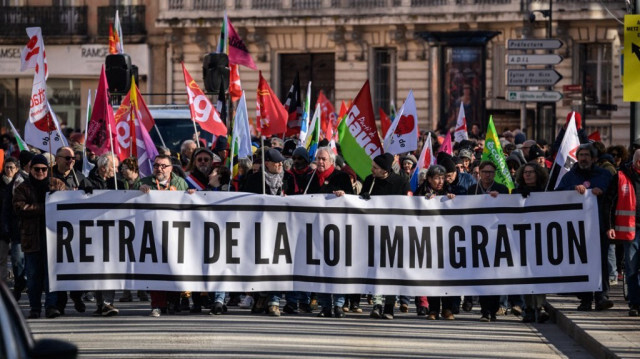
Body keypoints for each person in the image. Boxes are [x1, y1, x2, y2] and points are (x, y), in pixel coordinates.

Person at [557, 143, 613, 311]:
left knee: (601, 262)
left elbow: (613, 194)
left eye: (587, 155)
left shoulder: (604, 175)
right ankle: (585, 299)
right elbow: (558, 194)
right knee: (581, 262)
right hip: (577, 228)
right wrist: (572, 190)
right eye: (580, 155)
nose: (583, 158)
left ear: (594, 158)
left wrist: (602, 190)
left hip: (600, 226)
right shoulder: (570, 176)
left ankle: (601, 296)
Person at [136, 154, 191, 317]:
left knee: (174, 269)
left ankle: (174, 302)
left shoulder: (180, 183)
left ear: (171, 168)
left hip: (175, 233)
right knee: (155, 268)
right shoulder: (143, 183)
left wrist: (191, 194)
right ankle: (158, 304)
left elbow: (188, 203)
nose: (159, 169)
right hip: (152, 233)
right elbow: (130, 200)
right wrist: (138, 192)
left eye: (163, 166)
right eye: (156, 165)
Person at [243, 148, 295, 316]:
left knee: (278, 264)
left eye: (281, 162)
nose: (280, 165)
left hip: (283, 228)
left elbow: (298, 197)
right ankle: (261, 296)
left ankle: (274, 300)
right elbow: (246, 200)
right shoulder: (255, 179)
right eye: (276, 163)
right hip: (261, 228)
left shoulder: (288, 178)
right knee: (261, 265)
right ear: (267, 164)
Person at [13, 154, 66, 319]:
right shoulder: (22, 188)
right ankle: (35, 307)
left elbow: (67, 203)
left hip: (53, 238)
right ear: (31, 169)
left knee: (51, 275)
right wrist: (45, 207)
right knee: (33, 275)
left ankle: (51, 305)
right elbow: (19, 207)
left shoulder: (57, 184)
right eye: (37, 169)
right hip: (31, 237)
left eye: (44, 169)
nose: (40, 172)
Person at [361, 153, 412, 320]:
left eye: (375, 168)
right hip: (373, 232)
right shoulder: (370, 181)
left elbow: (408, 205)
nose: (372, 169)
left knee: (391, 270)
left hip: (394, 233)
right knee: (376, 269)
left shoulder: (401, 182)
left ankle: (389, 305)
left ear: (385, 170)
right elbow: (359, 202)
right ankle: (377, 303)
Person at [305, 147, 353, 318]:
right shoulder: (310, 178)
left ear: (332, 161)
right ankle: (325, 305)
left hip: (337, 231)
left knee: (337, 269)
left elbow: (353, 200)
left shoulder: (341, 177)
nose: (320, 162)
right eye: (318, 158)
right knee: (321, 270)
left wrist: (344, 196)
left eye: (324, 159)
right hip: (316, 231)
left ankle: (339, 305)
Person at [468, 161, 510, 322]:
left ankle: (493, 309)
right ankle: (485, 311)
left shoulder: (502, 189)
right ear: (479, 173)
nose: (487, 175)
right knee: (482, 275)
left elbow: (508, 210)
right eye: (485, 172)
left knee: (495, 276)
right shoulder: (473, 190)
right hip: (478, 237)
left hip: (496, 236)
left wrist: (499, 199)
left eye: (491, 172)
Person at [86, 153, 125, 317]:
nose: (117, 170)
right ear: (103, 168)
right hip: (93, 232)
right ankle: (100, 303)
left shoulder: (118, 183)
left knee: (110, 267)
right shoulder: (88, 182)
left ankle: (108, 303)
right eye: (114, 167)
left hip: (113, 231)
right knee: (97, 268)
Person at [416, 165, 456, 320]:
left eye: (442, 178)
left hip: (447, 240)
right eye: (437, 178)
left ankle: (447, 309)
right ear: (429, 179)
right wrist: (424, 202)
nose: (440, 181)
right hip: (428, 240)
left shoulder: (451, 190)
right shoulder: (421, 192)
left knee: (447, 276)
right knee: (431, 275)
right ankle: (433, 309)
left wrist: (453, 200)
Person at [604, 149, 640, 317]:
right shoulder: (620, 176)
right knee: (632, 269)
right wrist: (610, 225)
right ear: (633, 161)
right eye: (638, 160)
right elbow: (609, 202)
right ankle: (634, 303)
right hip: (630, 230)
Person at [513, 162, 550, 323]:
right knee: (526, 274)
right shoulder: (515, 192)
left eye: (531, 172)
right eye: (525, 172)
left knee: (539, 273)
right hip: (522, 237)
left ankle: (539, 306)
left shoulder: (545, 193)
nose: (527, 175)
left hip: (540, 237)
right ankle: (528, 307)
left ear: (538, 174)